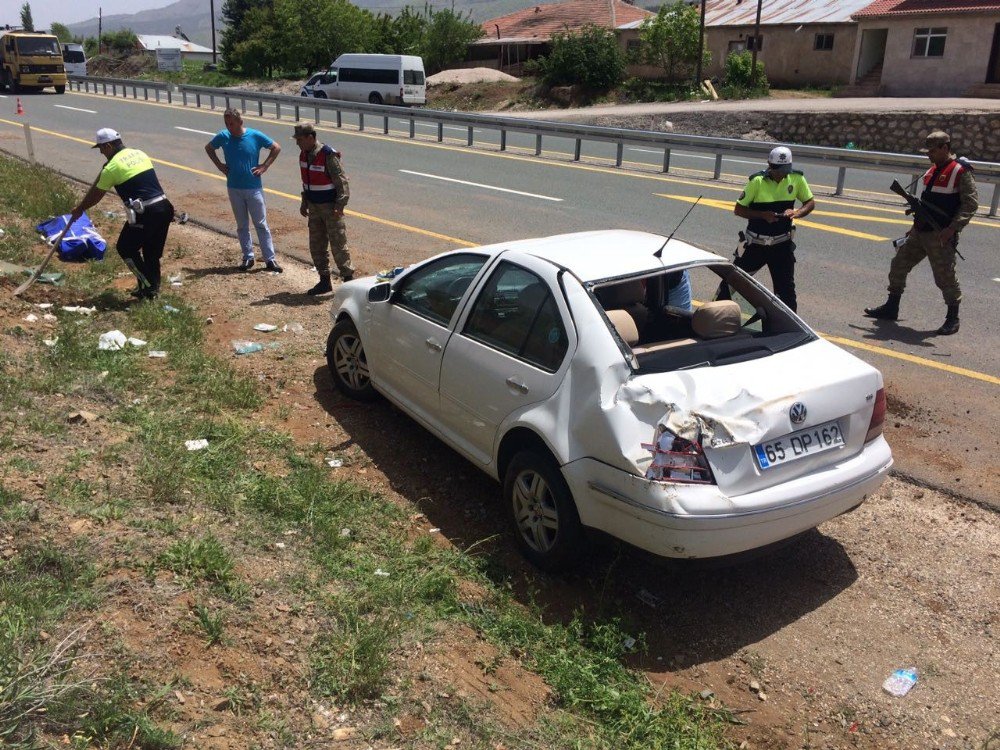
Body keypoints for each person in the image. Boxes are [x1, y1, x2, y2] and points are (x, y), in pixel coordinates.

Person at [864, 130, 979, 336]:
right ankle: (892, 307)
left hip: (941, 234)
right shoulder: (933, 169)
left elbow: (970, 204)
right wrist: (914, 226)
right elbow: (926, 202)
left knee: (944, 277)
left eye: (932, 151)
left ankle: (953, 318)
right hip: (921, 231)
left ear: (945, 148)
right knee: (899, 264)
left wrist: (952, 229)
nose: (929, 154)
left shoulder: (960, 171)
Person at [70, 127, 174, 299]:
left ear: (109, 146)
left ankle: (148, 286)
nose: (101, 152)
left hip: (146, 212)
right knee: (151, 252)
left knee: (125, 248)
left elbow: (96, 194)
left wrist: (80, 209)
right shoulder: (139, 153)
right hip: (163, 208)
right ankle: (151, 289)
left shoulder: (111, 168)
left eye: (102, 148)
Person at [732, 146, 816, 312]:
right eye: (778, 170)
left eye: (784, 170)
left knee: (786, 294)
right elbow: (739, 210)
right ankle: (712, 317)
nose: (781, 174)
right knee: (732, 282)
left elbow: (810, 202)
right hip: (755, 244)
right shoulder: (757, 181)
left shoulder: (796, 178)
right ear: (769, 165)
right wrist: (763, 215)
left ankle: (789, 331)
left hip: (782, 245)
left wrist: (797, 212)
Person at [205, 108, 282, 273]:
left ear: (240, 122)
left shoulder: (254, 135)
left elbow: (276, 147)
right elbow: (209, 148)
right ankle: (248, 257)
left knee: (261, 223)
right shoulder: (223, 137)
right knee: (242, 225)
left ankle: (270, 259)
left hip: (254, 188)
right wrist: (219, 165)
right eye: (226, 124)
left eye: (231, 123)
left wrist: (264, 166)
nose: (229, 127)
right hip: (234, 188)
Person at [293, 123, 355, 295]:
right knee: (317, 245)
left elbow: (342, 182)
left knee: (338, 245)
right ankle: (324, 281)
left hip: (330, 208)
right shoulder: (303, 155)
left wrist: (340, 206)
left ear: (310, 137)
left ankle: (348, 282)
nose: (297, 143)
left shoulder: (328, 155)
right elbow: (306, 182)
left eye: (300, 139)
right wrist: (304, 201)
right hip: (314, 207)